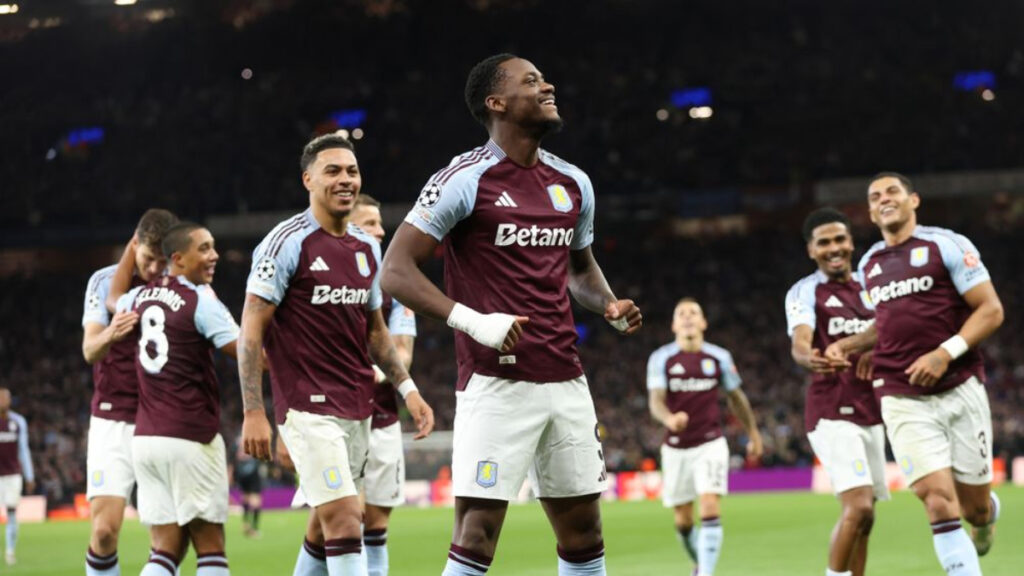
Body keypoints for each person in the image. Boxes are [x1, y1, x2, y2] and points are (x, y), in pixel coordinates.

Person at [380, 54, 642, 576]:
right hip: (495, 383)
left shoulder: (573, 183)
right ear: (495, 102)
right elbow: (395, 272)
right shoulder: (464, 178)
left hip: (566, 379)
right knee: (476, 536)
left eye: (545, 77)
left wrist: (608, 303)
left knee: (585, 533)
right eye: (531, 81)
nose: (548, 85)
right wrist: (475, 321)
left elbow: (580, 270)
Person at [238, 134, 434, 576]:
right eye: (332, 171)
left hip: (357, 407)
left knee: (323, 528)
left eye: (351, 171)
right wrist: (254, 410)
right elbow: (252, 330)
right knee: (347, 519)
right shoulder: (284, 243)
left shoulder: (367, 249)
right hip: (308, 409)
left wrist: (408, 388)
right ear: (307, 179)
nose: (345, 179)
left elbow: (377, 333)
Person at [826, 173, 1004, 576]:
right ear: (870, 212)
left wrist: (945, 353)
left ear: (914, 201)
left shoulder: (947, 245)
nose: (884, 199)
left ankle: (988, 516)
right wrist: (851, 345)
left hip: (959, 386)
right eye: (875, 196)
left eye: (892, 192)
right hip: (900, 393)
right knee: (937, 498)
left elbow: (991, 310)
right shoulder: (869, 264)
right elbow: (886, 322)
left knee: (973, 509)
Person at [111, 222, 240, 576]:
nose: (214, 255)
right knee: (211, 549)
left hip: (147, 439)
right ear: (178, 259)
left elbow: (112, 299)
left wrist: (129, 251)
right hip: (190, 437)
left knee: (165, 550)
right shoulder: (200, 300)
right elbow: (245, 353)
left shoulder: (137, 298)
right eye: (205, 248)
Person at [785, 208, 887, 576]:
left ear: (851, 243)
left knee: (868, 515)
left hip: (872, 411)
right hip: (831, 410)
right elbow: (800, 341)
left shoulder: (872, 286)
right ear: (811, 250)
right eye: (823, 242)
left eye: (839, 239)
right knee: (858, 506)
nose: (834, 248)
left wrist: (875, 351)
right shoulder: (805, 291)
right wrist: (808, 357)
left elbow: (896, 329)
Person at [81, 208, 179, 576]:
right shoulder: (103, 281)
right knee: (104, 531)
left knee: (166, 536)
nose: (155, 268)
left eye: (162, 260)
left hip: (161, 418)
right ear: (134, 245)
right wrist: (112, 331)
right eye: (148, 258)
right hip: (112, 417)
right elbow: (90, 350)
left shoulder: (179, 285)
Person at [646, 298, 762, 576]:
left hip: (710, 443)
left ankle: (705, 574)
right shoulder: (661, 358)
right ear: (674, 324)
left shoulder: (719, 358)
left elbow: (736, 398)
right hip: (675, 448)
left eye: (693, 313)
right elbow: (656, 401)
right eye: (681, 313)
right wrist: (669, 419)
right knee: (683, 522)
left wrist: (754, 433)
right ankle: (700, 565)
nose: (687, 317)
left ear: (703, 323)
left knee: (709, 505)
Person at [0, 388, 34, 566]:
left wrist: (29, 475)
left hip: (12, 475)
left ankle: (10, 551)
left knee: (12, 513)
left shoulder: (18, 422)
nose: (4, 400)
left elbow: (23, 450)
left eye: (7, 397)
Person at [232, 437, 266, 538]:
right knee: (255, 502)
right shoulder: (252, 437)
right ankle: (254, 528)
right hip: (251, 472)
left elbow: (235, 456)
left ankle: (246, 524)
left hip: (242, 473)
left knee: (246, 498)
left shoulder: (238, 439)